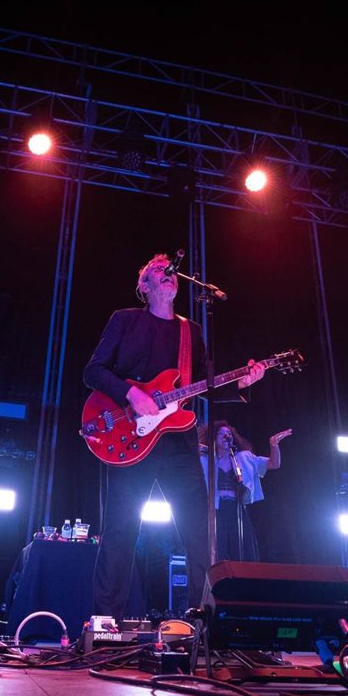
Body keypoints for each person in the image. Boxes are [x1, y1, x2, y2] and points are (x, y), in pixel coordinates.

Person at [83, 253, 265, 619]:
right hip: (129, 437)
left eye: (170, 271)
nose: (168, 273)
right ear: (145, 286)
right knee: (120, 531)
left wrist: (242, 383)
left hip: (178, 444)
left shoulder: (189, 331)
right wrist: (131, 394)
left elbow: (204, 386)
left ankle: (202, 622)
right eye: (157, 269)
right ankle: (105, 622)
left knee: (200, 532)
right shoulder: (125, 320)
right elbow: (94, 371)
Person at [199, 421, 290, 562]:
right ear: (214, 437)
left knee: (243, 546)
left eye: (228, 434)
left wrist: (274, 445)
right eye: (221, 434)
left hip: (237, 508)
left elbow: (274, 463)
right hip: (216, 509)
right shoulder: (206, 458)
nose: (226, 436)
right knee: (217, 547)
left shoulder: (244, 457)